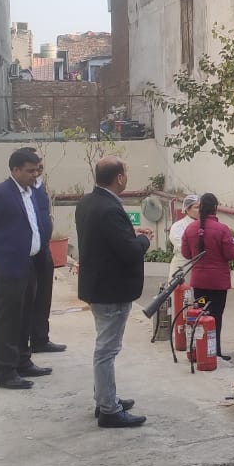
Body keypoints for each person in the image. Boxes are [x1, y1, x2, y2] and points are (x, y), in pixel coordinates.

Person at [74, 157, 151, 429]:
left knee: (104, 346)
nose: (127, 177)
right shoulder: (108, 208)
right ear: (119, 177)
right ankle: (109, 410)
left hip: (97, 286)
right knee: (107, 350)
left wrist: (130, 233)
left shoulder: (88, 202)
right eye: (126, 173)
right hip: (111, 290)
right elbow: (128, 251)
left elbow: (106, 240)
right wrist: (143, 240)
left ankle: (105, 397)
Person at [0, 148, 55, 389]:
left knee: (24, 316)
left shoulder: (31, 193)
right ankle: (5, 371)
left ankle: (23, 361)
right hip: (8, 266)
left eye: (37, 170)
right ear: (15, 170)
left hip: (29, 264)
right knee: (7, 320)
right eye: (30, 171)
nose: (35, 175)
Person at [180, 194, 234, 357]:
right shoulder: (222, 229)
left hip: (199, 283)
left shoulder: (190, 229)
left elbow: (186, 253)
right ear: (215, 208)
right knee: (215, 316)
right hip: (218, 284)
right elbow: (230, 255)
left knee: (200, 313)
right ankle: (215, 351)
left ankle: (200, 350)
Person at [26, 153, 67, 356]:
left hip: (43, 249)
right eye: (34, 168)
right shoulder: (23, 191)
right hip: (27, 252)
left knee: (44, 296)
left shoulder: (40, 187)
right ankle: (22, 343)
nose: (38, 172)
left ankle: (40, 339)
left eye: (40, 168)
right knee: (28, 298)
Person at [168, 194, 201, 279]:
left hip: (199, 267)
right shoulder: (178, 226)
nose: (200, 210)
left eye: (201, 207)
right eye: (196, 207)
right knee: (182, 286)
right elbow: (181, 245)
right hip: (182, 265)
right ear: (187, 209)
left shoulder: (205, 225)